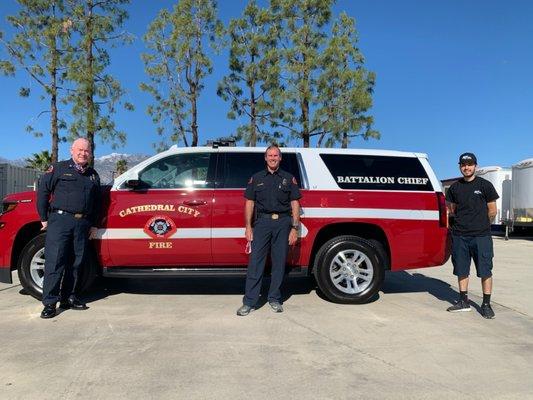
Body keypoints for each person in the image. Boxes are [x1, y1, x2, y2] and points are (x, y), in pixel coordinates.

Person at [37, 138, 101, 319]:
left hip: (83, 224)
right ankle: (49, 303)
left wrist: (94, 223)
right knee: (55, 262)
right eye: (80, 150)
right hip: (60, 221)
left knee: (76, 263)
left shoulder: (93, 175)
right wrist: (43, 218)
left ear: (91, 153)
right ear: (72, 150)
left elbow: (97, 203)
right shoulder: (58, 168)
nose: (83, 153)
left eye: (87, 150)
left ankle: (69, 298)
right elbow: (43, 191)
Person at [236, 145, 301, 316]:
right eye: (270, 155)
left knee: (279, 264)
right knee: (255, 263)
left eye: (276, 155)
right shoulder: (256, 178)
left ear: (280, 158)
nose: (273, 158)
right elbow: (249, 203)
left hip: (283, 223)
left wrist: (295, 228)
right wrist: (248, 226)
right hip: (262, 223)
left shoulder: (289, 178)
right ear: (265, 158)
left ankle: (274, 298)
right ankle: (249, 301)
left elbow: (295, 203)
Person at [446, 152, 498, 319]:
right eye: (463, 164)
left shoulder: (485, 185)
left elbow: (492, 211)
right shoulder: (454, 188)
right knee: (461, 270)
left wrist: (481, 225)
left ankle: (486, 304)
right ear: (460, 166)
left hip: (481, 236)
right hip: (460, 235)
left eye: (469, 164)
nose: (466, 167)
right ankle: (463, 301)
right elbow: (451, 210)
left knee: (485, 271)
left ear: (475, 166)